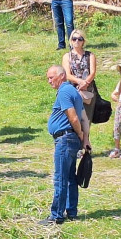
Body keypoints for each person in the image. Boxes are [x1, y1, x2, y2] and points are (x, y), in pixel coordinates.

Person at [42, 65, 90, 225]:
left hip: (65, 138)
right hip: (71, 139)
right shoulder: (74, 92)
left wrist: (81, 134)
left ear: (62, 76)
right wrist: (85, 139)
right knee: (70, 177)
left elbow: (74, 118)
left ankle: (56, 215)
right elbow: (84, 118)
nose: (49, 81)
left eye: (51, 77)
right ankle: (72, 211)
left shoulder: (64, 91)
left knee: (61, 178)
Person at [62, 30, 96, 123]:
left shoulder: (90, 55)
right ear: (71, 40)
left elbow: (92, 72)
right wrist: (79, 81)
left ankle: (86, 137)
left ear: (83, 41)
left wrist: (85, 83)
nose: (77, 41)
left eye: (79, 39)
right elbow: (67, 75)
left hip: (88, 90)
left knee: (87, 120)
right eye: (74, 39)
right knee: (75, 119)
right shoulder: (67, 56)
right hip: (74, 90)